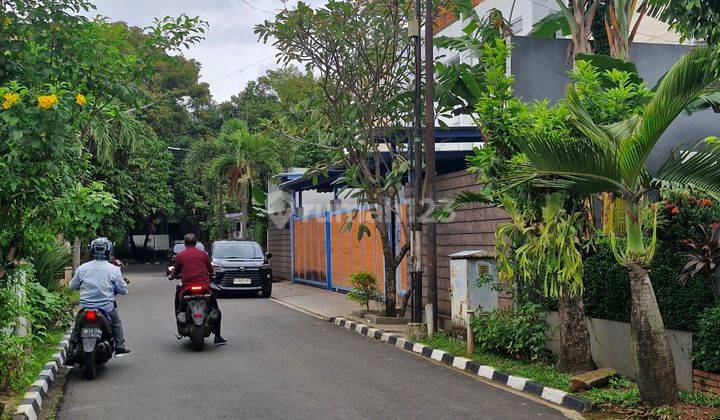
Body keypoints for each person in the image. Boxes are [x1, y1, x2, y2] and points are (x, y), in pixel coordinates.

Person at [68, 237, 130, 357]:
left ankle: (70, 351)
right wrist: (123, 290)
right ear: (109, 251)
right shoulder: (114, 270)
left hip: (85, 308)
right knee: (116, 323)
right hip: (106, 308)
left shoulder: (82, 268)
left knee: (76, 328)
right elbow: (122, 289)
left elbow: (72, 286)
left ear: (91, 250)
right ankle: (119, 347)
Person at [170, 233, 226, 345]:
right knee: (215, 308)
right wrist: (211, 275)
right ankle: (218, 336)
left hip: (187, 287)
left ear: (184, 244)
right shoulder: (203, 254)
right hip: (204, 286)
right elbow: (211, 271)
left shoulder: (180, 256)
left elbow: (175, 273)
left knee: (178, 298)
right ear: (196, 243)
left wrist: (171, 276)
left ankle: (180, 316)